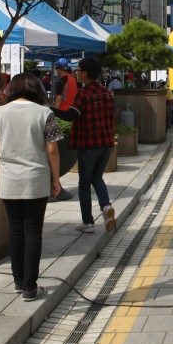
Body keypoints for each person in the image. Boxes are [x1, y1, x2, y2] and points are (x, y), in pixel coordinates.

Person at [0, 72, 63, 301]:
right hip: (36, 177)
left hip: (9, 178)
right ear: (36, 88)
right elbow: (52, 149)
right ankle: (31, 286)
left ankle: (19, 282)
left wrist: (12, 157)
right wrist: (56, 179)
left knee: (15, 229)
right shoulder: (44, 113)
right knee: (33, 231)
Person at [53, 58, 117, 234]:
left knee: (84, 183)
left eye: (79, 70)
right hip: (106, 144)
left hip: (89, 145)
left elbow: (71, 116)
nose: (76, 72)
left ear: (86, 73)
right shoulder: (106, 92)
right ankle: (105, 206)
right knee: (97, 178)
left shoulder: (84, 94)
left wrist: (49, 110)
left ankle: (87, 222)